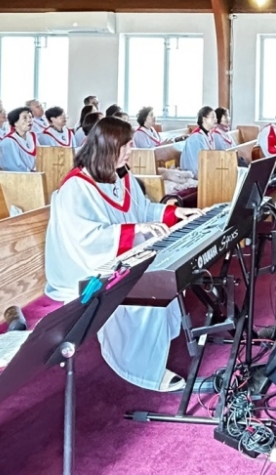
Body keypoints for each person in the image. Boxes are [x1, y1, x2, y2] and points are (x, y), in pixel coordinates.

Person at [44, 117, 202, 391]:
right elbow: (85, 239)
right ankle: (141, 367)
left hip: (121, 254)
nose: (131, 150)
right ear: (107, 147)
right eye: (126, 145)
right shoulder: (76, 187)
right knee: (146, 290)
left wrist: (175, 212)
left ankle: (155, 345)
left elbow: (143, 210)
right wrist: (136, 229)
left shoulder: (121, 175)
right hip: (87, 267)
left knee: (163, 270)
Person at [0, 107, 39, 172]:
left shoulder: (33, 136)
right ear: (15, 123)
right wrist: (32, 173)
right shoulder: (8, 142)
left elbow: (41, 156)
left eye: (30, 117)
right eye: (25, 118)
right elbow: (13, 167)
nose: (29, 120)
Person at [180, 106, 216, 178]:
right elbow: (195, 165)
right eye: (213, 117)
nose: (216, 120)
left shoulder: (208, 135)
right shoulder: (196, 138)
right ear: (204, 119)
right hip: (194, 174)